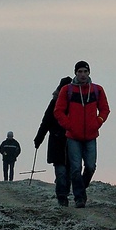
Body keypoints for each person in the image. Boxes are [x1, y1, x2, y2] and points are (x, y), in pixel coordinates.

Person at [54, 61, 110, 208]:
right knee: (75, 168)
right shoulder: (67, 90)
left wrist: (98, 121)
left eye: (85, 71)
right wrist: (69, 125)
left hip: (91, 136)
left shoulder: (97, 90)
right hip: (73, 137)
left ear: (89, 72)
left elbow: (105, 109)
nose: (83, 74)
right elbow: (58, 111)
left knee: (91, 166)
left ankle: (80, 188)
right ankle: (79, 198)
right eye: (80, 71)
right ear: (75, 73)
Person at [34, 76, 73, 207]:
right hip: (57, 142)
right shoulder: (54, 104)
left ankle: (64, 193)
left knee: (68, 172)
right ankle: (62, 196)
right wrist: (39, 138)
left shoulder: (76, 103)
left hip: (72, 141)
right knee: (61, 171)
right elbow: (46, 122)